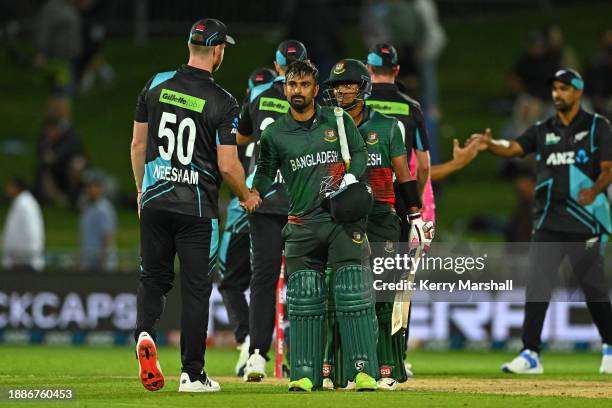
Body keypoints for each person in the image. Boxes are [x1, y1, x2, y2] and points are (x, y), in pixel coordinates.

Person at [130, 18, 260, 393]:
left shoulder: (155, 83)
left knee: (153, 278)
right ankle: (191, 373)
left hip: (154, 199)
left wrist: (142, 190)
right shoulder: (223, 101)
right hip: (197, 210)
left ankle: (144, 334)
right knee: (196, 288)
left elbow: (138, 146)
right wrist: (246, 195)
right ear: (218, 51)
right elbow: (227, 164)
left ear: (190, 47)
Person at [467, 69, 612, 375]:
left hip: (585, 221)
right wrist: (490, 145)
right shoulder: (543, 129)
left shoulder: (597, 126)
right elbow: (514, 148)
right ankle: (530, 353)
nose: (557, 94)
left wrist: (595, 191)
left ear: (578, 91)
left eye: (564, 88)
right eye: (555, 89)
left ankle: (610, 347)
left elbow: (608, 168)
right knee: (537, 286)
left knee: (593, 287)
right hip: (548, 219)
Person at [251, 59, 377, 391]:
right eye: (292, 85)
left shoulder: (338, 119)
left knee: (352, 293)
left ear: (315, 90)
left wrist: (350, 176)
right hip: (301, 224)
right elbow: (264, 173)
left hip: (340, 222)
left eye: (304, 85)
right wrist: (251, 193)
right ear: (285, 88)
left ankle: (362, 371)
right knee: (304, 301)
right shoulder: (274, 133)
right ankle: (305, 374)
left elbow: (361, 153)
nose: (297, 91)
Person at [323, 58, 433, 391]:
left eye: (348, 84)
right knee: (337, 296)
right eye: (337, 86)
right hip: (339, 220)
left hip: (383, 218)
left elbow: (405, 176)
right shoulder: (325, 126)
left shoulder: (387, 127)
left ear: (363, 87)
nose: (341, 91)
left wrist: (416, 216)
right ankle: (332, 371)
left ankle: (386, 369)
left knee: (383, 299)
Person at [236, 40, 309, 382]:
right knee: (305, 279)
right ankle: (306, 354)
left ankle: (256, 354)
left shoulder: (258, 94)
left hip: (262, 198)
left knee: (263, 279)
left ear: (277, 65)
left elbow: (238, 139)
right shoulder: (314, 98)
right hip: (301, 200)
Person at [218, 66, 277, 377]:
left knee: (234, 282)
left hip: (246, 210)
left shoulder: (247, 114)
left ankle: (248, 341)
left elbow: (226, 164)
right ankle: (281, 344)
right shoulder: (286, 114)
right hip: (283, 205)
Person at [2, 177, 45, 272]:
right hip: (21, 258)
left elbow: (31, 232)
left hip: (24, 260)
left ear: (17, 187)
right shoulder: (23, 202)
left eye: (10, 186)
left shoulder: (24, 204)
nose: (7, 189)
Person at [79, 172, 117, 271]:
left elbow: (107, 235)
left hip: (100, 263)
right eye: (88, 187)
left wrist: (103, 261)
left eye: (93, 186)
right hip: (89, 262)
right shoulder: (88, 207)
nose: (90, 190)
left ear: (100, 188)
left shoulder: (103, 209)